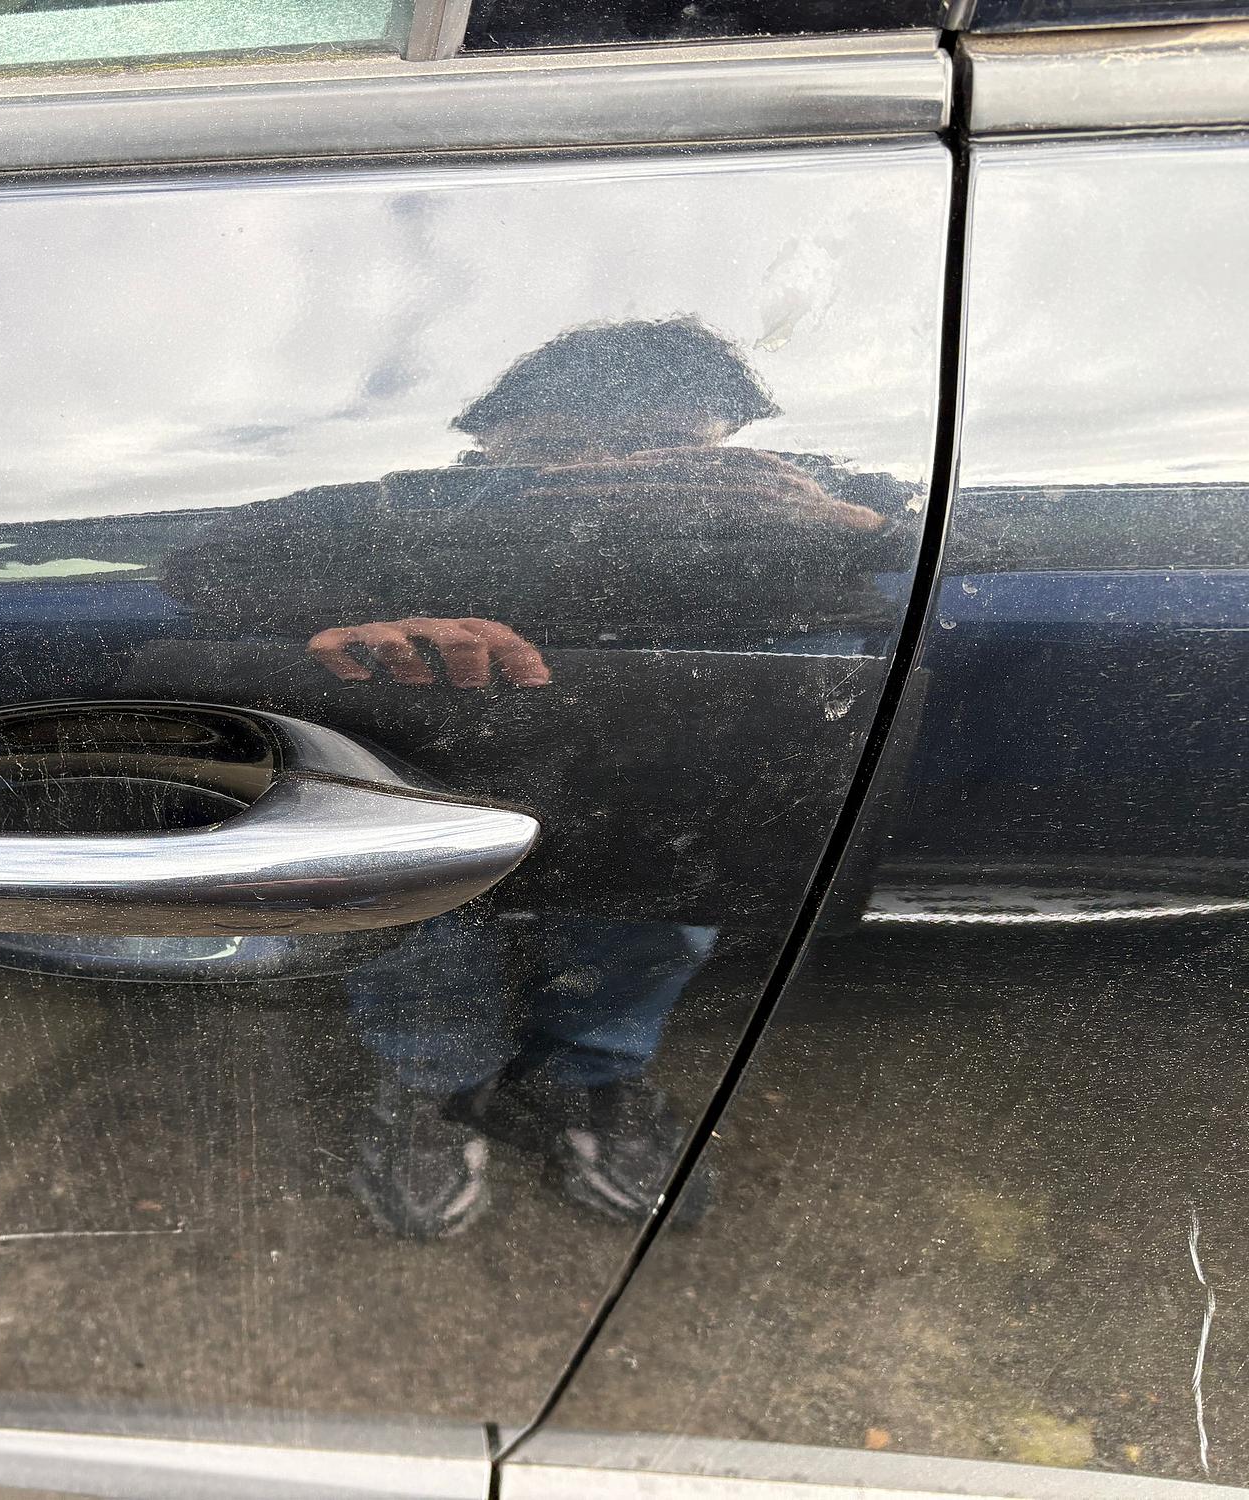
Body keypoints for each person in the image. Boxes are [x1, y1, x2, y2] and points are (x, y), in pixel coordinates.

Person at [161, 318, 909, 1239]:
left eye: (658, 443)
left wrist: (858, 523)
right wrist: (345, 618)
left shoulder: (799, 495)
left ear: (730, 442)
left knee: (657, 912)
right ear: (489, 446)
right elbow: (200, 563)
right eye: (561, 445)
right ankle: (437, 1080)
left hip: (689, 749)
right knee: (418, 908)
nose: (609, 467)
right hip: (447, 730)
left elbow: (979, 545)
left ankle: (590, 1074)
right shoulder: (414, 499)